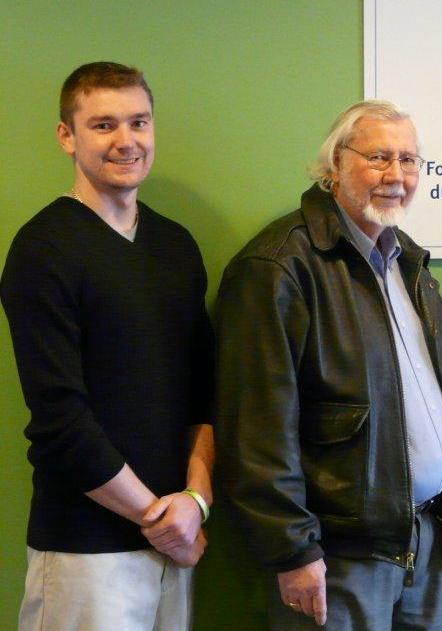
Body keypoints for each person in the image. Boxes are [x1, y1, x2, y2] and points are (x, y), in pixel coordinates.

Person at [216, 99, 442, 630]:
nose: (397, 175)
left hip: (430, 539)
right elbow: (255, 429)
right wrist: (291, 550)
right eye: (379, 157)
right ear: (333, 168)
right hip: (340, 556)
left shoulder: (406, 258)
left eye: (410, 160)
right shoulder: (279, 267)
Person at [1, 61, 214, 631]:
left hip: (174, 545)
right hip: (84, 554)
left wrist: (194, 503)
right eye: (103, 125)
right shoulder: (43, 250)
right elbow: (60, 423)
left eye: (139, 122)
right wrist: (157, 517)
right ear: (66, 136)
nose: (127, 140)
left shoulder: (176, 246)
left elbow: (202, 397)